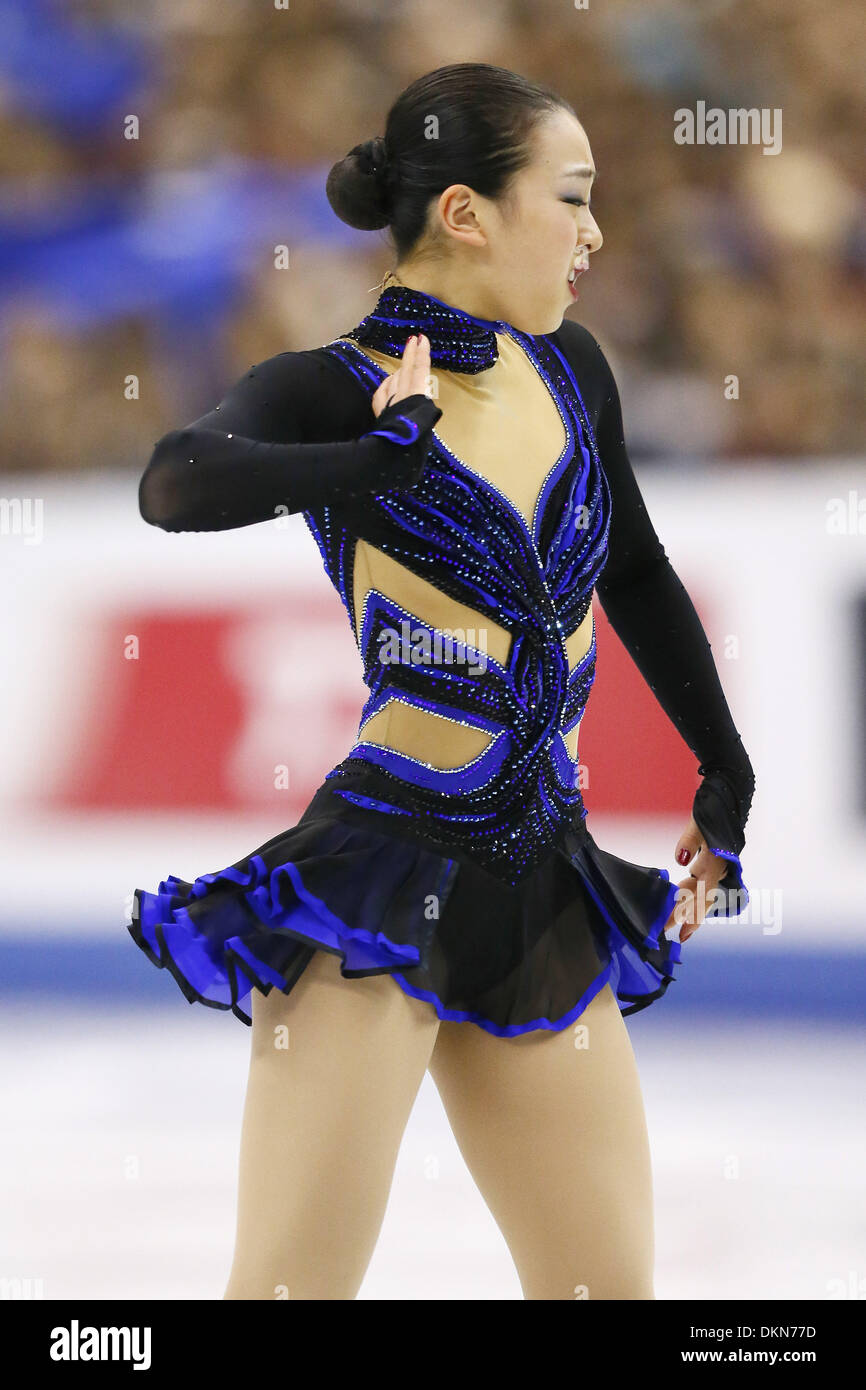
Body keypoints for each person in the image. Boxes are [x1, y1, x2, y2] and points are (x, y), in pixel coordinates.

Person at [128, 62, 755, 1301]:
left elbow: (630, 564)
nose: (592, 230)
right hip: (377, 884)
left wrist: (722, 764)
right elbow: (175, 482)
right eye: (568, 197)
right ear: (466, 213)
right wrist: (368, 456)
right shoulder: (339, 381)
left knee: (604, 1293)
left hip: (541, 880)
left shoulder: (570, 368)